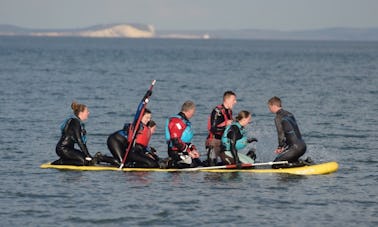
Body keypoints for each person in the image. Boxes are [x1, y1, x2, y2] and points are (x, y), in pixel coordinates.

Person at [53, 101, 97, 166]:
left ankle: (66, 160)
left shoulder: (78, 122)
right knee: (83, 162)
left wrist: (88, 155)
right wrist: (87, 155)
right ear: (81, 113)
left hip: (69, 149)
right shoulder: (75, 122)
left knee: (86, 160)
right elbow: (79, 140)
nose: (88, 113)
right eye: (87, 111)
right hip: (63, 149)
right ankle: (61, 162)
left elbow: (83, 142)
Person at [268, 96, 307, 167]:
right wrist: (285, 146)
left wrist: (280, 147)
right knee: (288, 159)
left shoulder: (278, 117)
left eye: (269, 107)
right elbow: (292, 132)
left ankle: (301, 163)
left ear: (273, 106)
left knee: (275, 165)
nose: (269, 109)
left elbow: (281, 134)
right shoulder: (290, 114)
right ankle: (299, 162)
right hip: (303, 146)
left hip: (295, 148)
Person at [165, 100, 201, 168]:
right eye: (193, 112)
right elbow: (175, 141)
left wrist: (193, 149)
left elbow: (186, 141)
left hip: (183, 150)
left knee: (198, 163)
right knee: (190, 163)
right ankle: (169, 162)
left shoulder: (184, 121)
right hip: (175, 151)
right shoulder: (176, 121)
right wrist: (189, 151)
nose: (193, 114)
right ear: (190, 110)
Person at [206, 91, 237, 166]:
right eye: (234, 100)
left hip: (224, 143)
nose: (235, 102)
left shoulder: (229, 111)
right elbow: (213, 129)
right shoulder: (217, 111)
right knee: (212, 165)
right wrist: (226, 125)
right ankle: (210, 162)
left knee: (232, 162)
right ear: (227, 100)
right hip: (214, 142)